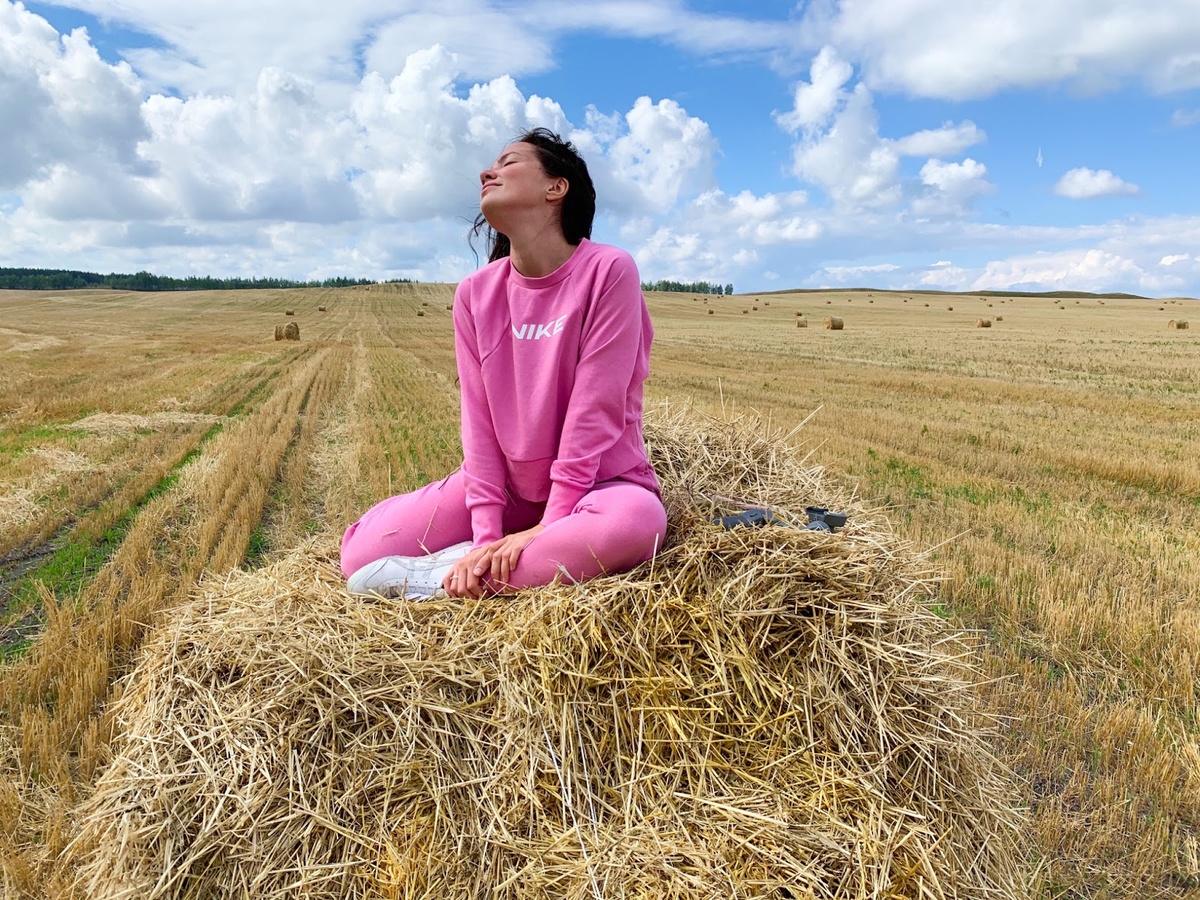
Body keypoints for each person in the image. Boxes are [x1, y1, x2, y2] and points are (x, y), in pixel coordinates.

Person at [340, 127, 668, 599]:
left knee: (637, 524)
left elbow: (592, 411)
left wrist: (548, 529)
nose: (486, 171)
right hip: (510, 492)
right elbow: (479, 422)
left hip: (601, 485)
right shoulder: (475, 294)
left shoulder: (608, 271)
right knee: (358, 555)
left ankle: (439, 579)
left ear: (556, 188)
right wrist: (488, 536)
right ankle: (479, 562)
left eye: (509, 162)